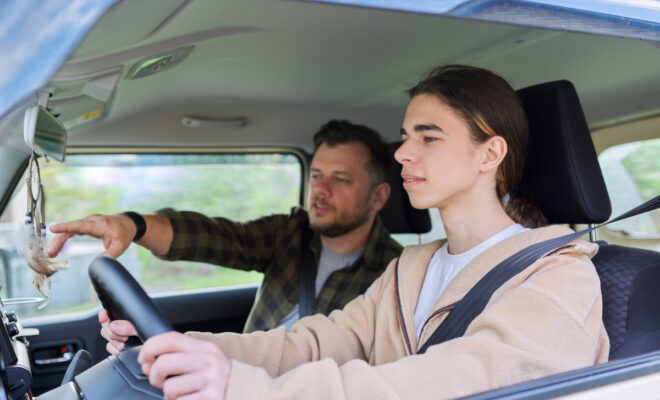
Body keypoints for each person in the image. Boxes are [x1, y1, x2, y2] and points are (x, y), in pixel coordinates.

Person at [101, 65, 610, 400]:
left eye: (428, 138)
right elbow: (313, 344)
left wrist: (247, 388)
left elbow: (453, 381)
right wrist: (179, 347)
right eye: (406, 137)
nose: (403, 154)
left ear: (490, 154)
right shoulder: (410, 267)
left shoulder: (558, 277)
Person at [48, 120, 403, 332]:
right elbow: (214, 237)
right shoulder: (290, 234)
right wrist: (134, 225)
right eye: (316, 176)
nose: (320, 191)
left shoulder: (399, 273)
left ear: (379, 197)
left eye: (340, 179)